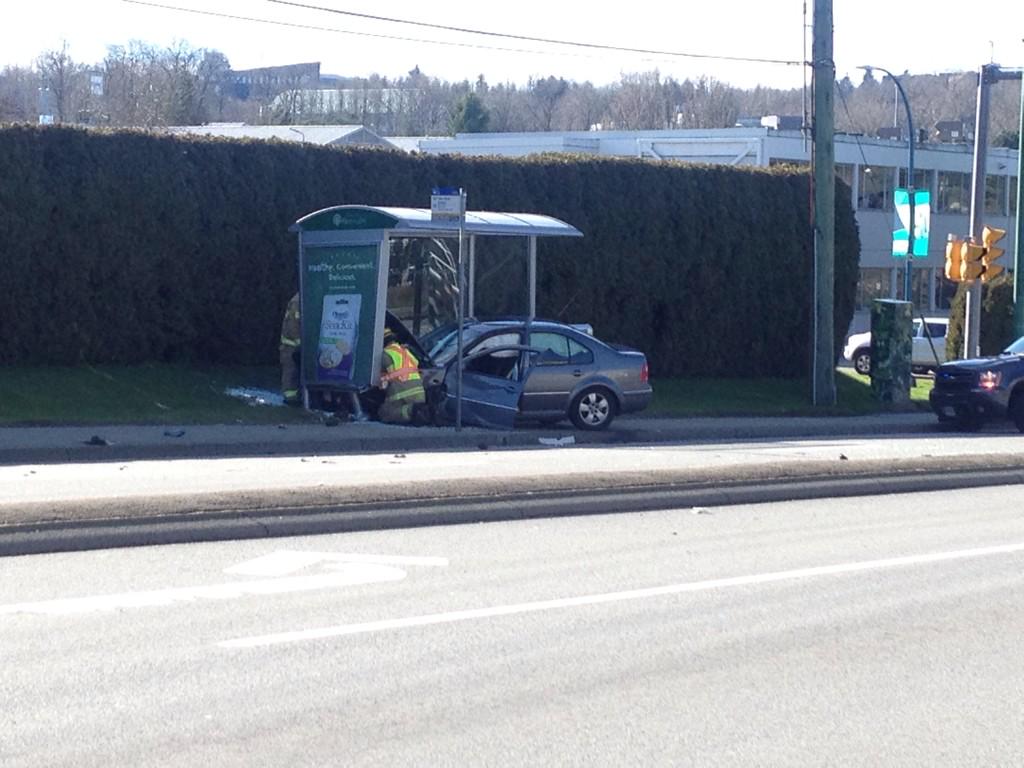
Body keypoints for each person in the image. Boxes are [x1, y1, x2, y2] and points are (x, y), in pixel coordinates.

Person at [378, 326, 426, 424]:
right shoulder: (405, 351)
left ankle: (411, 411)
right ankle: (418, 412)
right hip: (420, 394)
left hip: (402, 396)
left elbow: (378, 380)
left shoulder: (385, 355)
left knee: (384, 413)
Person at [279, 292, 301, 405]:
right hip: (290, 345)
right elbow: (293, 324)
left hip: (296, 345)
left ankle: (297, 397)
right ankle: (290, 399)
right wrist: (299, 342)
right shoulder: (297, 301)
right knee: (290, 372)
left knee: (296, 373)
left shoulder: (302, 299)